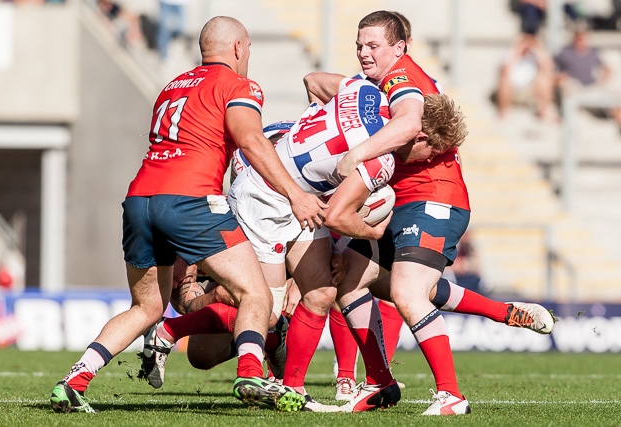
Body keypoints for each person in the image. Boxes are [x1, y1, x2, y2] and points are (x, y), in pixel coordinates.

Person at [49, 16, 326, 414]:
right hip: (191, 199)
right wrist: (296, 195)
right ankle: (250, 373)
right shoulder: (238, 85)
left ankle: (73, 381)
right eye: (248, 49)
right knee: (256, 293)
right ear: (238, 48)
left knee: (145, 308)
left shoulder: (172, 87)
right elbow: (250, 140)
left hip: (140, 200)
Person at [304, 10, 554, 416]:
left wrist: (354, 153)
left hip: (434, 199)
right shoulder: (373, 84)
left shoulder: (403, 80)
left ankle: (451, 396)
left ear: (399, 48)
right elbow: (316, 81)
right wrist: (328, 114)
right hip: (401, 202)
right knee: (348, 279)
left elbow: (406, 123)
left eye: (373, 45)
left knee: (406, 290)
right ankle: (382, 383)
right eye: (359, 45)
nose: (364, 53)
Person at [140, 76, 398, 413]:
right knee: (260, 315)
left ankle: (291, 387)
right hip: (264, 203)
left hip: (300, 200)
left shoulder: (361, 94)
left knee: (321, 293)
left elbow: (313, 80)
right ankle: (171, 332)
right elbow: (337, 212)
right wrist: (372, 233)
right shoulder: (381, 157)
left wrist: (332, 250)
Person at [554, 25, 621, 132]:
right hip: (575, 86)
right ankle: (570, 124)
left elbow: (607, 69)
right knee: (568, 87)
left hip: (593, 86)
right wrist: (560, 78)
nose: (580, 40)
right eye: (578, 36)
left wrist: (603, 79)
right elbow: (552, 70)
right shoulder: (565, 53)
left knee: (616, 95)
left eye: (582, 36)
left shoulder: (594, 53)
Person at [495, 33, 557, 122]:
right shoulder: (509, 53)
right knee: (505, 79)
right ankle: (503, 112)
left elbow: (549, 68)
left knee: (545, 78)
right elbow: (504, 70)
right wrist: (517, 52)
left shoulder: (536, 55)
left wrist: (537, 50)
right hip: (512, 90)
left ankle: (545, 112)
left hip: (531, 91)